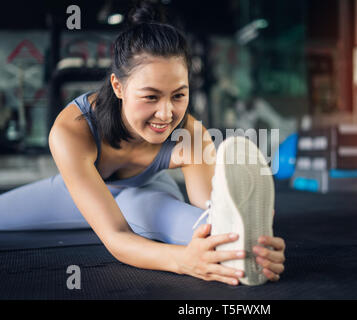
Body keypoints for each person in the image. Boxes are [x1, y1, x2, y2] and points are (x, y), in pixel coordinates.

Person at [0, 1, 285, 286]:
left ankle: (239, 251)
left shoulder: (192, 134)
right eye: (151, 97)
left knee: (204, 226)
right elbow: (115, 236)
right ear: (118, 86)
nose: (166, 114)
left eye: (178, 96)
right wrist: (183, 261)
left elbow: (208, 209)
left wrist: (259, 248)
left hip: (147, 195)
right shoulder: (72, 130)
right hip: (74, 195)